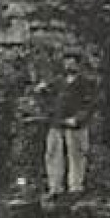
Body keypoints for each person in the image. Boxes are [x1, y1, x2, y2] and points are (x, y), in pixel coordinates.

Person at [38, 50, 96, 200]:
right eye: (66, 61)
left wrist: (77, 119)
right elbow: (50, 98)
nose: (69, 64)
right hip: (57, 123)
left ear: (78, 64)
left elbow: (89, 104)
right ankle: (55, 187)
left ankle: (75, 187)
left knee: (76, 155)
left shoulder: (85, 82)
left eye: (72, 62)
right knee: (52, 154)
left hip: (75, 125)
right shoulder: (59, 82)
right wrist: (42, 91)